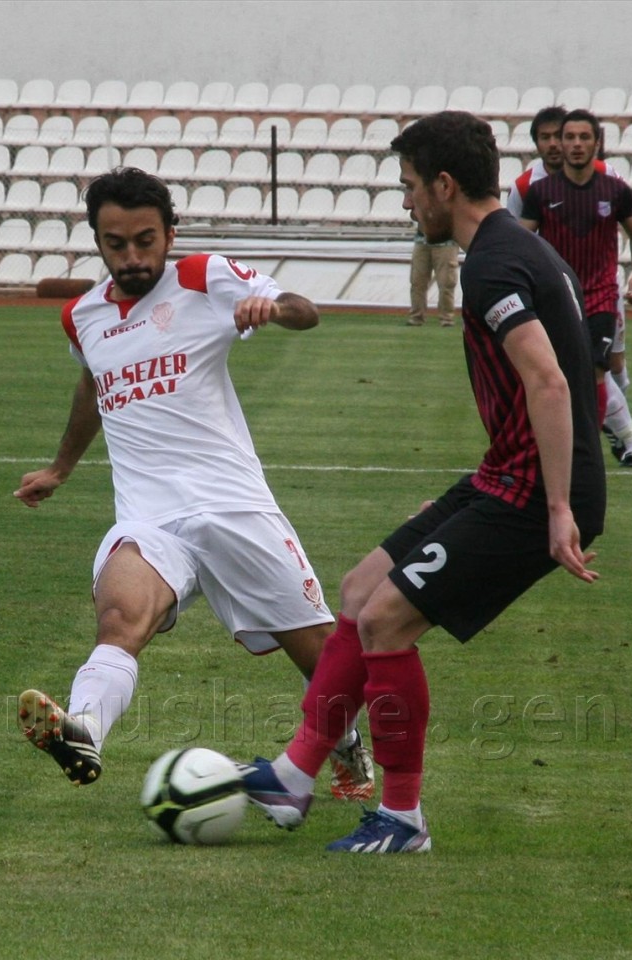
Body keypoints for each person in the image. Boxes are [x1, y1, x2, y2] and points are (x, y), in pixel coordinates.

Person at [241, 112, 606, 854]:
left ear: (444, 185)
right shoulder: (519, 250)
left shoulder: (492, 264)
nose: (407, 201)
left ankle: (402, 817)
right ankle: (292, 774)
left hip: (532, 492)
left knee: (386, 621)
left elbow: (550, 381)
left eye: (409, 186)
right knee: (358, 589)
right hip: (506, 477)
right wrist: (470, 498)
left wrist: (558, 505)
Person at [13, 167, 374, 801]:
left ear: (170, 235)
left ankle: (345, 746)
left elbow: (306, 311)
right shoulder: (82, 316)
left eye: (145, 241)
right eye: (116, 244)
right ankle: (83, 728)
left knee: (320, 656)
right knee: (120, 619)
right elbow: (94, 384)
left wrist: (271, 308)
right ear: (97, 241)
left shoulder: (203, 276)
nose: (132, 257)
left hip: (233, 507)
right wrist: (61, 467)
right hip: (149, 518)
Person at [510, 106, 632, 466]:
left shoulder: (611, 184)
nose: (566, 143)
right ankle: (614, 438)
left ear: (597, 143)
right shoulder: (532, 189)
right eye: (558, 137)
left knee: (606, 368)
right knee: (572, 370)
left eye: (580, 137)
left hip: (601, 296)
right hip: (557, 296)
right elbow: (518, 240)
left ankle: (599, 442)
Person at [407, 227, 460, 327]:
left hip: (447, 242)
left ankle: (447, 318)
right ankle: (416, 316)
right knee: (417, 281)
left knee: (446, 282)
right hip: (422, 240)